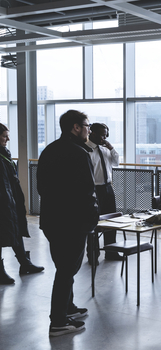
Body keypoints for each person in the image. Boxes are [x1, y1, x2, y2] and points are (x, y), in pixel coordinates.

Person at [37, 110, 99, 337]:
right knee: (66, 270)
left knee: (65, 267)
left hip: (53, 221)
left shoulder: (49, 150)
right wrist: (92, 220)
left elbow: (41, 189)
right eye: (87, 125)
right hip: (73, 223)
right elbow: (87, 192)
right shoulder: (78, 153)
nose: (89, 130)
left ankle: (68, 308)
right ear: (75, 127)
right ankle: (59, 322)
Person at [0, 123, 44, 285]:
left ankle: (25, 263)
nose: (8, 139)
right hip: (4, 203)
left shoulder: (4, 154)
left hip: (11, 201)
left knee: (15, 231)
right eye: (5, 136)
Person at [85, 122, 122, 265]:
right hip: (94, 189)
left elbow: (117, 162)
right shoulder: (86, 149)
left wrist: (111, 148)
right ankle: (93, 255)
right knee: (94, 222)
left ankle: (111, 251)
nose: (103, 138)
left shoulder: (106, 149)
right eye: (101, 135)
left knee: (111, 221)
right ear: (91, 133)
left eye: (105, 135)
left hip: (108, 188)